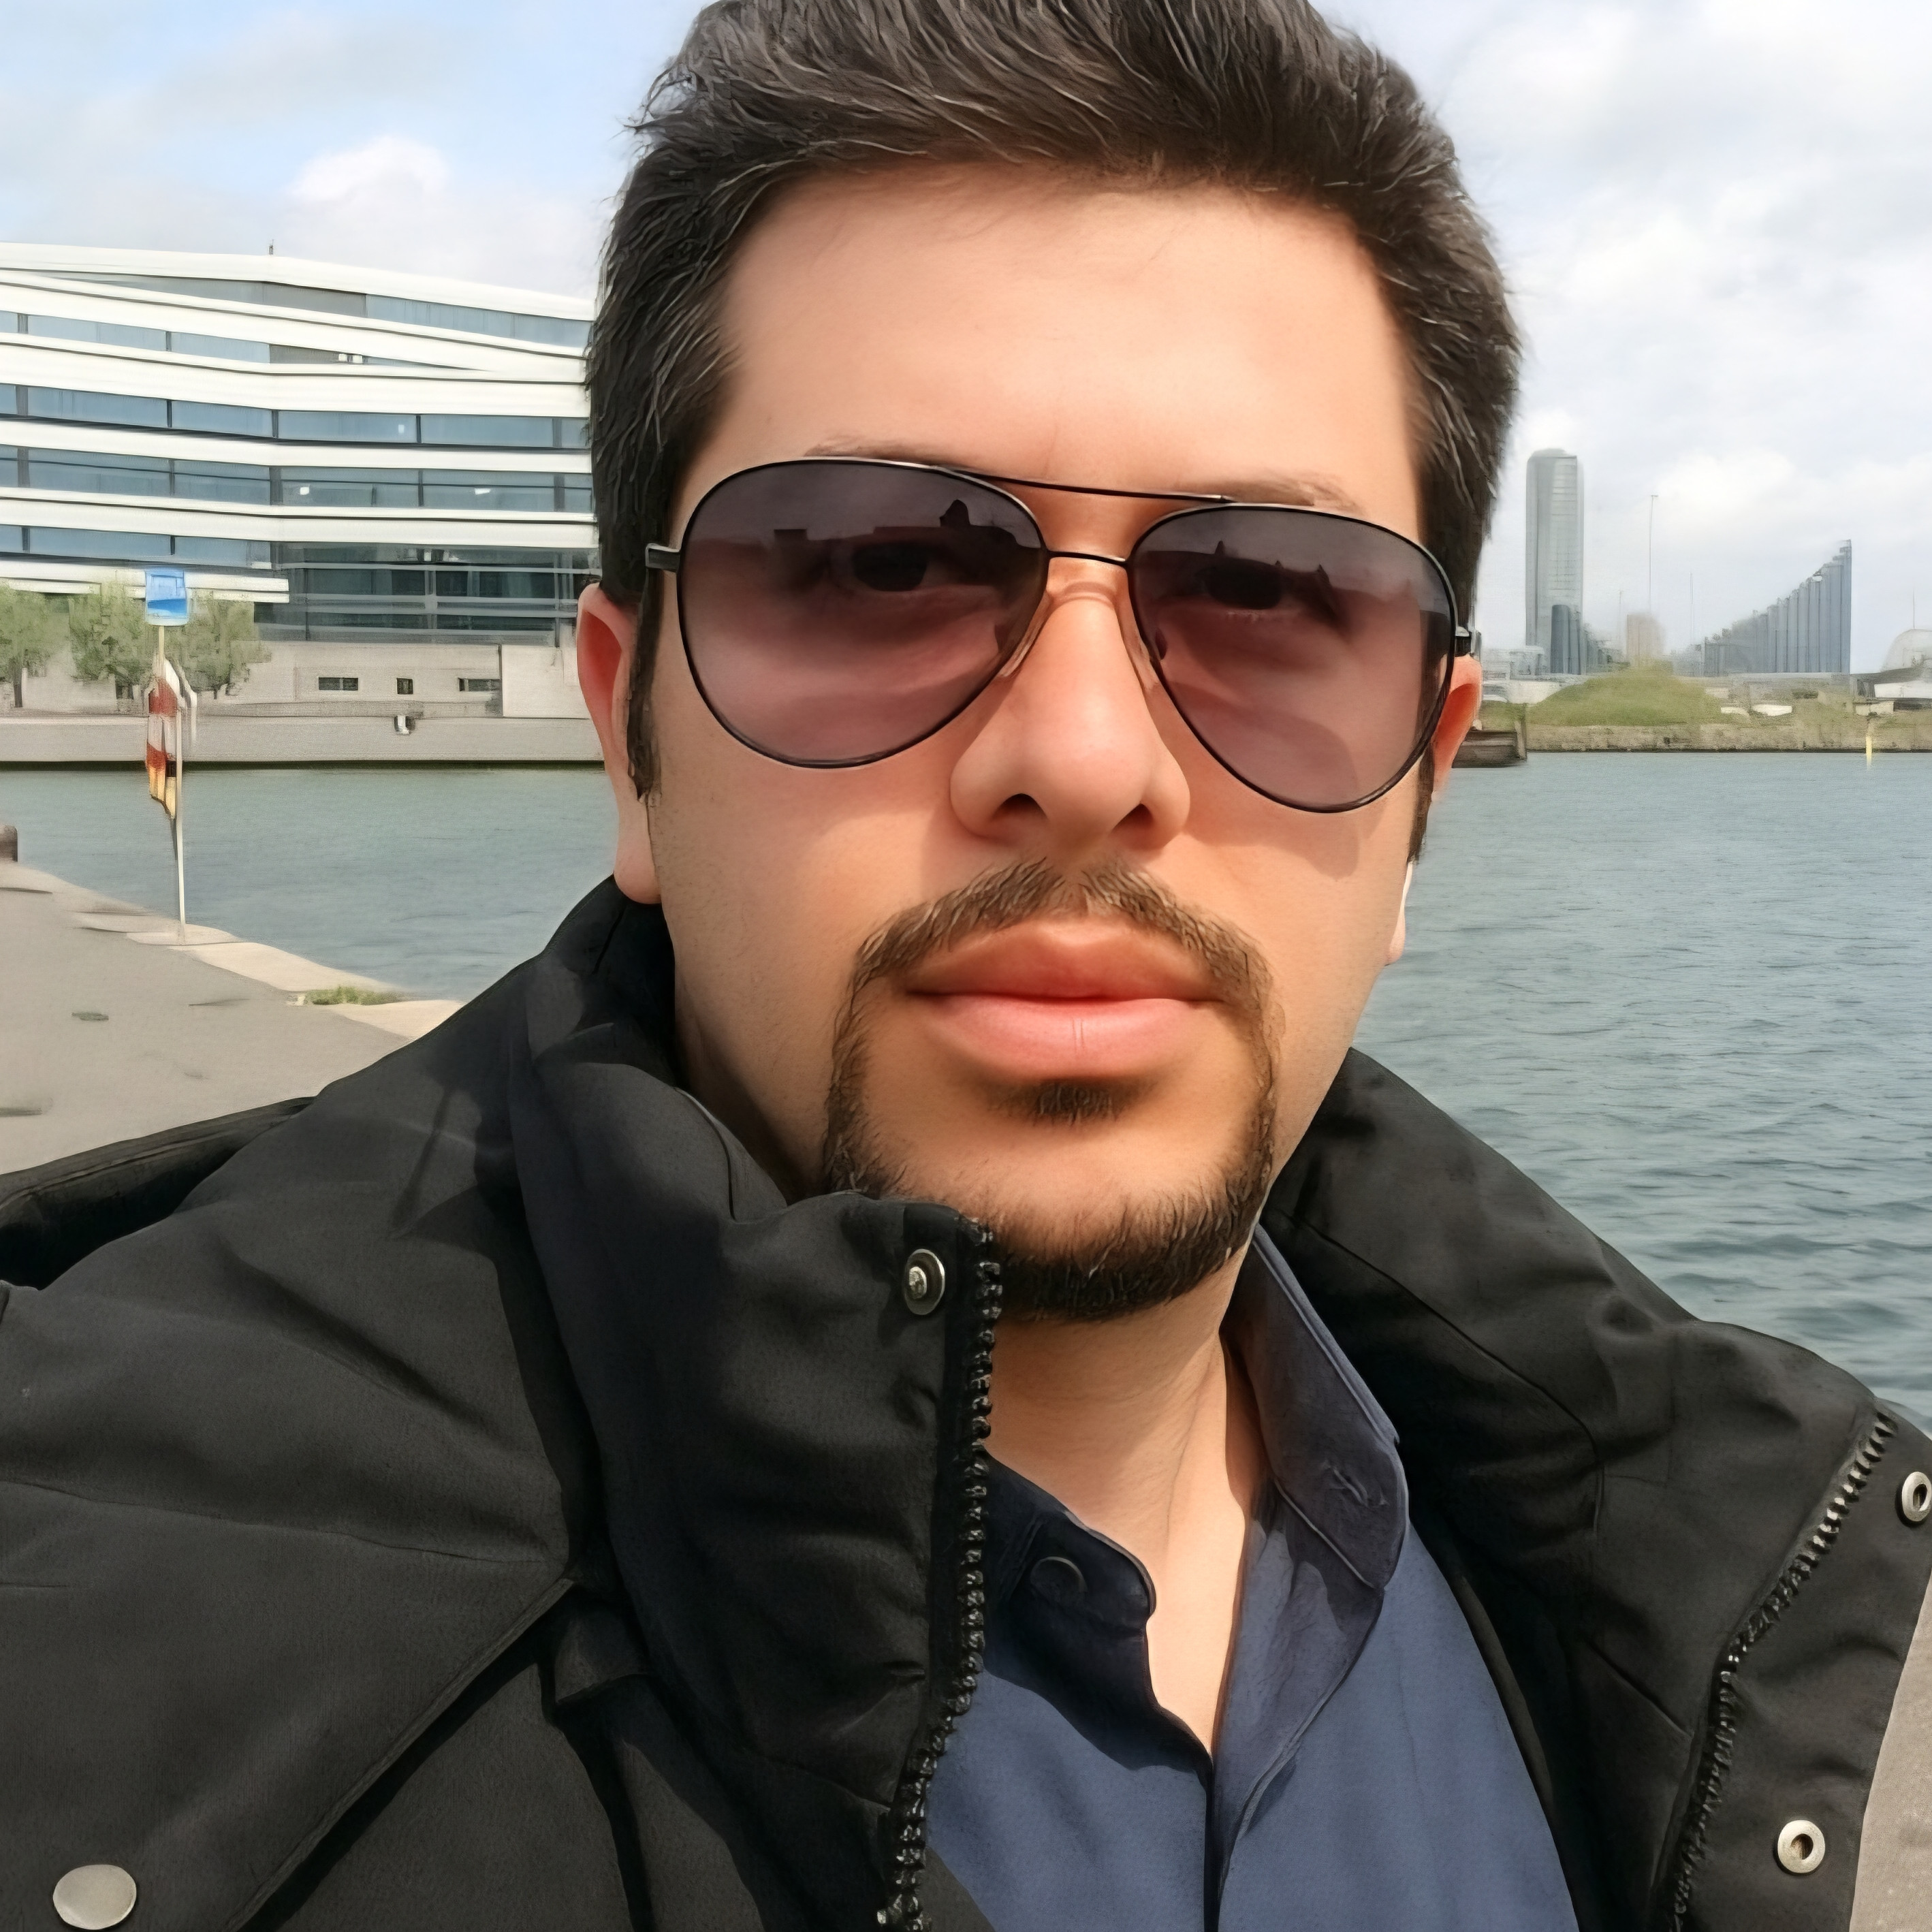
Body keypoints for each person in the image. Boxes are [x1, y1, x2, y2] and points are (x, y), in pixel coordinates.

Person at [2, 2, 1927, 1929]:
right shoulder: (97, 1663)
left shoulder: (1619, 1592)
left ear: (1422, 784)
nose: (1083, 759)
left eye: (1269, 593)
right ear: (630, 737)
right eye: (877, 565)